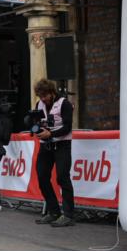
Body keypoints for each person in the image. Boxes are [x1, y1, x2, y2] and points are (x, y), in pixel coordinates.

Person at [29, 78, 76, 227]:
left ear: (52, 92)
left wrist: (50, 133)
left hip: (62, 144)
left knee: (62, 177)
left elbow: (67, 127)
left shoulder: (64, 103)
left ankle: (68, 215)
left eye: (45, 95)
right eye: (40, 96)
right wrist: (36, 128)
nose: (43, 99)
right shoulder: (39, 104)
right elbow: (36, 123)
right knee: (42, 177)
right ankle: (53, 211)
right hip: (45, 146)